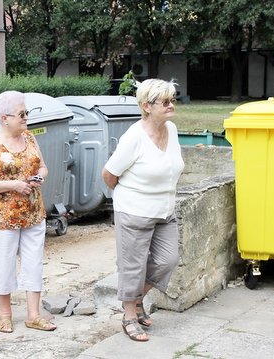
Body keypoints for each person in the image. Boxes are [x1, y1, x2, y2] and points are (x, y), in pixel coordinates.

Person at [101, 79, 184, 342]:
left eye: (173, 99)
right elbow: (109, 174)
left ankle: (137, 300)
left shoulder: (171, 129)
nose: (171, 105)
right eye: (165, 101)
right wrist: (129, 197)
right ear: (146, 106)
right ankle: (128, 315)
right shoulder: (134, 137)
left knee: (166, 261)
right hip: (134, 210)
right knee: (132, 266)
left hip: (164, 210)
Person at [0, 91, 57, 333]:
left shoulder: (30, 138)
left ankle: (34, 315)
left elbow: (43, 166)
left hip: (32, 212)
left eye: (26, 113)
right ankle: (4, 314)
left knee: (34, 263)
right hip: (2, 216)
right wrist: (13, 185)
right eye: (22, 114)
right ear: (4, 117)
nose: (26, 118)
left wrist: (39, 177)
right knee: (4, 264)